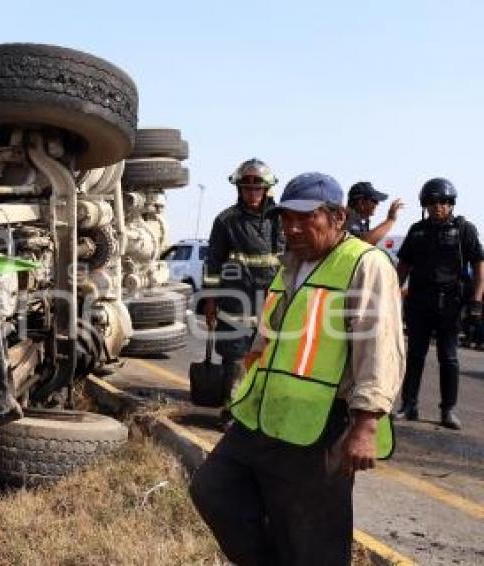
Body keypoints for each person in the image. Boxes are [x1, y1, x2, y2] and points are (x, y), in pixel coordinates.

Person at [191, 172, 403, 566]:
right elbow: (267, 341)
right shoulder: (289, 265)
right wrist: (242, 398)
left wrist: (366, 424)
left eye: (306, 219)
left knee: (312, 541)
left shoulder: (364, 264)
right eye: (286, 219)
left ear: (338, 217)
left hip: (322, 425)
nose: (293, 228)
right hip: (265, 417)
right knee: (213, 488)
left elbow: (381, 346)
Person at [395, 178, 484, 429]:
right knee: (415, 355)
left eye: (444, 202)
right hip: (419, 302)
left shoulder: (465, 230)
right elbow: (402, 268)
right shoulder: (416, 231)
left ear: (451, 204)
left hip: (451, 303)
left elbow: (479, 265)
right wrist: (390, 297)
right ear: (425, 204)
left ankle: (448, 410)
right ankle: (409, 404)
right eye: (432, 202)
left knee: (449, 357)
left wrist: (476, 302)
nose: (438, 206)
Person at [201, 158, 285, 420]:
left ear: (267, 189)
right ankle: (232, 410)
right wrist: (211, 301)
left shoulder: (280, 219)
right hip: (234, 303)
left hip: (271, 301)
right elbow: (213, 263)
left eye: (257, 188)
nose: (252, 193)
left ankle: (260, 410)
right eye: (246, 188)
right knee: (235, 358)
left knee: (268, 357)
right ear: (239, 189)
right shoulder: (226, 221)